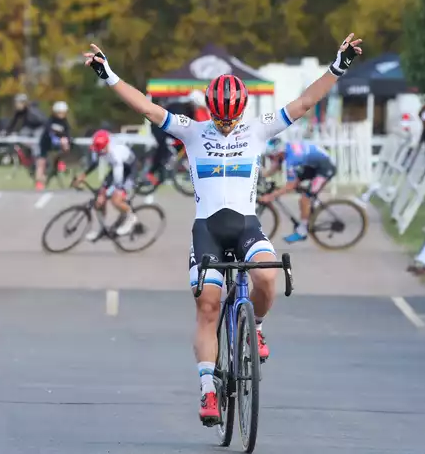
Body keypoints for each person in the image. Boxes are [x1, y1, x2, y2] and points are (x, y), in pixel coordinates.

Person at [83, 33, 362, 425]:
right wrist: (108, 74)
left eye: (232, 116)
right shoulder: (191, 131)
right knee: (208, 305)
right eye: (219, 115)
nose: (227, 123)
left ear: (242, 110)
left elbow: (304, 102)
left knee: (268, 277)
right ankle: (208, 392)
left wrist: (339, 66)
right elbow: (147, 107)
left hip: (246, 226)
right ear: (209, 110)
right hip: (208, 232)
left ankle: (257, 328)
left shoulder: (258, 129)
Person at [259, 138, 336, 243]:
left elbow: (290, 185)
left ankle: (302, 231)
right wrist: (261, 176)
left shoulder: (292, 159)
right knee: (298, 186)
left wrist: (271, 196)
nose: (271, 159)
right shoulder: (286, 150)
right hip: (314, 165)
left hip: (325, 168)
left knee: (304, 199)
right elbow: (276, 166)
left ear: (279, 153)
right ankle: (309, 206)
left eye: (272, 157)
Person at [72, 129, 138, 241]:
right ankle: (102, 229)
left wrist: (111, 191)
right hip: (116, 168)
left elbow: (118, 180)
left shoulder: (115, 154)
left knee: (115, 200)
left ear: (107, 146)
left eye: (101, 151)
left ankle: (131, 217)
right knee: (99, 201)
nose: (99, 153)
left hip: (128, 170)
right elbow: (95, 162)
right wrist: (83, 175)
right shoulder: (101, 143)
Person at [147, 96, 194, 186]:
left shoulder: (189, 110)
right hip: (158, 126)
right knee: (162, 147)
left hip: (167, 127)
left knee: (178, 144)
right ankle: (151, 172)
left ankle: (167, 165)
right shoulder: (180, 108)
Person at [35, 101, 71, 190]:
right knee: (41, 163)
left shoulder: (65, 123)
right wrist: (56, 136)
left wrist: (65, 139)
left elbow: (68, 135)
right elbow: (48, 132)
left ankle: (60, 162)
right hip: (46, 144)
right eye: (59, 112)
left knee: (65, 143)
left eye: (63, 112)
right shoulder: (50, 121)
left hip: (57, 147)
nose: (61, 115)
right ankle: (39, 182)